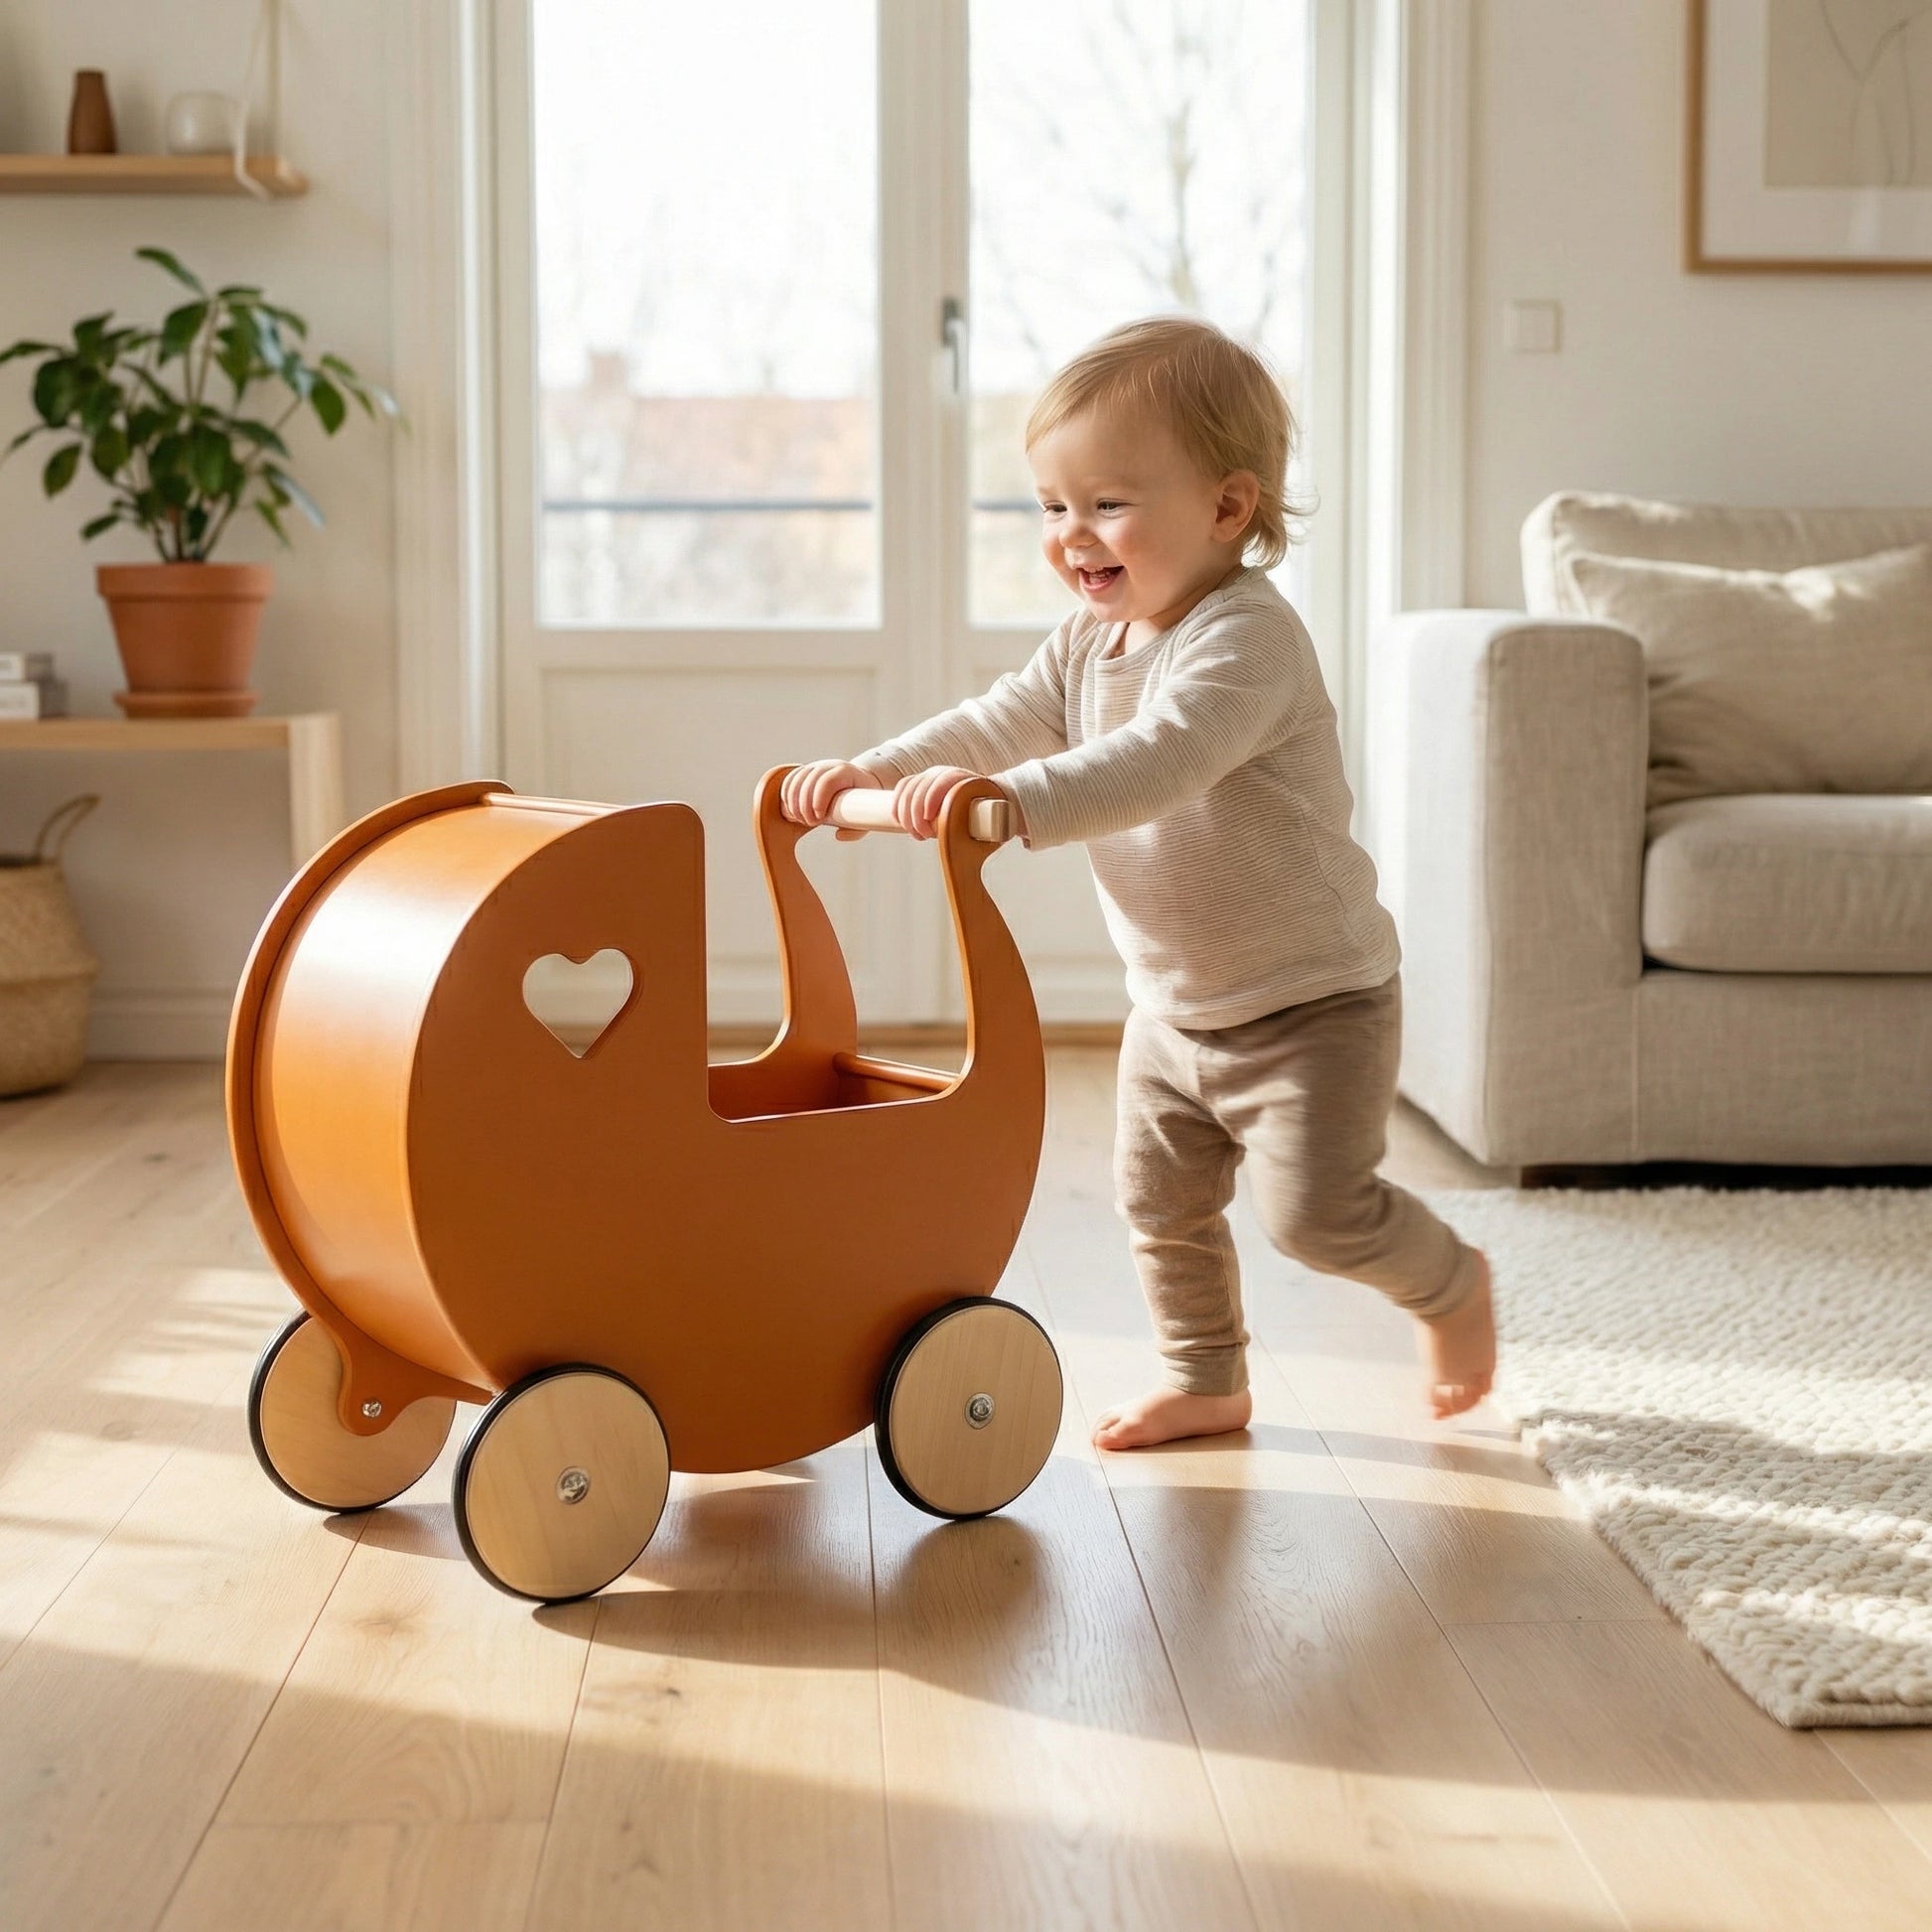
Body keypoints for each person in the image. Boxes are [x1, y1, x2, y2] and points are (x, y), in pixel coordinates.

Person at [781, 316, 1493, 1449]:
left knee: (1316, 1217)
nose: (1072, 534)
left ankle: (1449, 1283)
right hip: (1172, 1008)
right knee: (1160, 1205)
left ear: (1227, 507)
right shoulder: (1085, 640)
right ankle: (1206, 1378)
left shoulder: (1245, 641)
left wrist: (1010, 802)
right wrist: (875, 773)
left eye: (1106, 503)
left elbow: (1161, 761)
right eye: (1050, 506)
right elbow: (996, 719)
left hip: (1312, 1003)